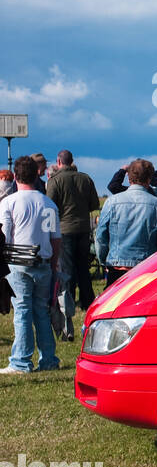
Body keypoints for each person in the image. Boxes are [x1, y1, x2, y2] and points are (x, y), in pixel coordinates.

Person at [0, 156, 62, 374]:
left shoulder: (9, 203)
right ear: (37, 175)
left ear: (15, 176)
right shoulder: (49, 204)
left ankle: (21, 361)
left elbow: (5, 236)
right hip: (43, 262)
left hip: (17, 263)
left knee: (22, 311)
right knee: (41, 312)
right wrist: (54, 265)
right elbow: (56, 239)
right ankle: (48, 359)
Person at [45, 150, 100, 341]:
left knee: (66, 269)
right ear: (72, 161)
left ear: (59, 161)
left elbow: (49, 205)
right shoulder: (85, 179)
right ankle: (87, 300)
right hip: (83, 228)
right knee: (83, 267)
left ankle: (69, 302)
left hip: (64, 228)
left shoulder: (55, 180)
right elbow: (94, 203)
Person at [95, 159, 157, 286]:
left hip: (117, 266)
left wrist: (104, 260)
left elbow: (101, 237)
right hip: (146, 267)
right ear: (149, 179)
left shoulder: (112, 202)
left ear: (129, 178)